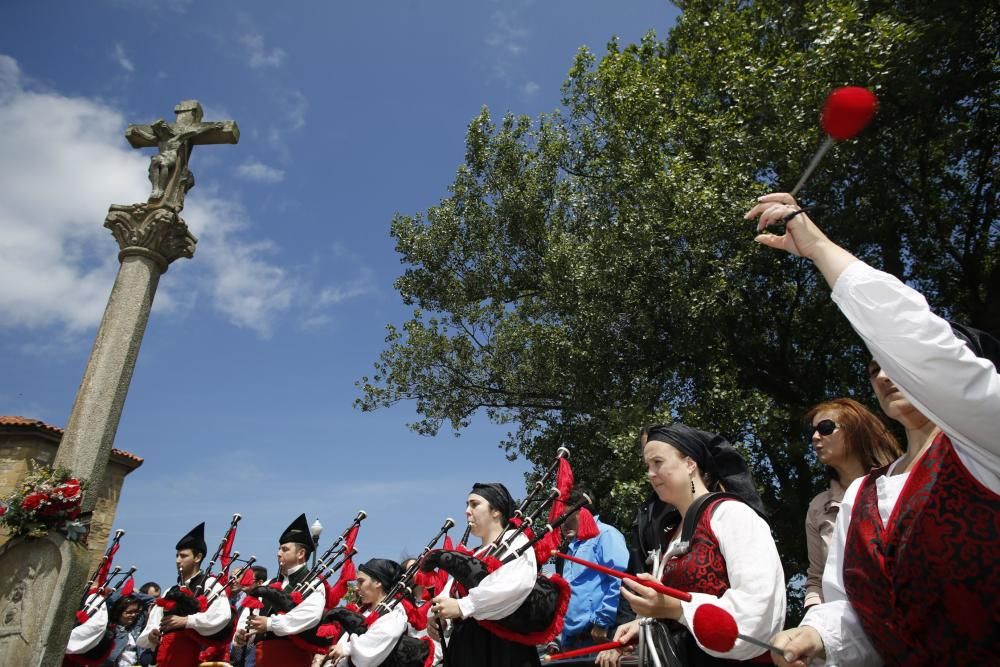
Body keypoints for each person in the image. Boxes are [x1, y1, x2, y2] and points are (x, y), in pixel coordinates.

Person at [748, 192, 1000, 666]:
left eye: (896, 363)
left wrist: (819, 248)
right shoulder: (861, 496)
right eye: (873, 368)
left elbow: (923, 347)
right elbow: (857, 613)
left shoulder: (987, 445)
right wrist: (815, 636)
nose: (885, 374)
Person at [596, 424, 786, 666]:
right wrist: (644, 623)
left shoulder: (733, 515)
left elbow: (758, 610)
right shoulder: (672, 533)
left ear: (690, 464)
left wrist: (676, 609)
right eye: (648, 466)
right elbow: (677, 613)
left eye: (658, 462)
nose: (650, 474)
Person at [428, 482, 542, 667]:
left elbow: (513, 585)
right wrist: (437, 615)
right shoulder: (474, 554)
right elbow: (450, 591)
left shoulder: (516, 542)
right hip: (466, 646)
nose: (467, 511)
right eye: (467, 505)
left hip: (502, 647)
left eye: (474, 504)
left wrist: (464, 605)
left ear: (496, 511)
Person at [801, 398, 900, 608]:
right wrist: (814, 621)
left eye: (825, 428)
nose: (815, 437)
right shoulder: (818, 507)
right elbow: (816, 579)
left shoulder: (897, 484)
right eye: (812, 431)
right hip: (844, 630)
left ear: (855, 431)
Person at [234, 513, 326, 666]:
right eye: (279, 549)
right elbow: (252, 614)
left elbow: (310, 616)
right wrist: (243, 634)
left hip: (293, 658)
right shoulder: (270, 584)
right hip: (262, 657)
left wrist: (270, 624)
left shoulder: (314, 583)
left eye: (285, 549)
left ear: (301, 553)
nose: (278, 554)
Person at [135, 522, 232, 667]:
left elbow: (222, 615)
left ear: (197, 557)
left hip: (193, 655)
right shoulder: (171, 590)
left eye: (183, 556)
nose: (177, 560)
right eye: (176, 556)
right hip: (164, 656)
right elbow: (155, 621)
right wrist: (152, 635)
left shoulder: (210, 583)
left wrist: (187, 621)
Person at [556, 487, 629, 652]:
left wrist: (602, 622)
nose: (563, 524)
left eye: (568, 517)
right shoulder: (570, 547)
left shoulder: (606, 535)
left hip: (597, 637)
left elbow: (618, 580)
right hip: (571, 641)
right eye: (561, 518)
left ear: (583, 513)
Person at [328, 558, 415, 666]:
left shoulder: (394, 611)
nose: (356, 587)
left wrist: (347, 649)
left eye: (361, 581)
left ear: (378, 582)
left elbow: (380, 639)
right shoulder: (364, 611)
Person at [105, 594, 143, 667]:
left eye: (136, 612)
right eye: (129, 612)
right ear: (119, 612)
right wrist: (124, 591)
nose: (133, 615)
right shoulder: (111, 629)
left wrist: (136, 593)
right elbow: (108, 602)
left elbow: (151, 601)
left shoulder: (136, 628)